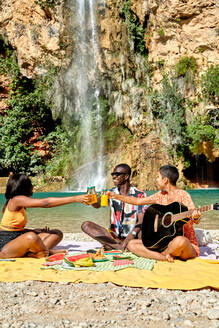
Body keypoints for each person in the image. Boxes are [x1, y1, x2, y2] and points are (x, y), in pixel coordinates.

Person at [107, 165, 201, 262]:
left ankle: (162, 255)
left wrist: (196, 217)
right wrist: (115, 196)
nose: (156, 180)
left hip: (182, 246)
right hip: (162, 243)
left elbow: (193, 217)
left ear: (165, 180)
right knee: (131, 244)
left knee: (181, 241)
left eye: (158, 177)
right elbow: (137, 201)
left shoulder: (183, 195)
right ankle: (165, 256)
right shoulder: (160, 196)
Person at [0, 173, 89, 259]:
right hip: (6, 245)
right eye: (30, 184)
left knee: (56, 233)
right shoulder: (16, 200)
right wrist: (75, 198)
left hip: (18, 237)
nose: (32, 187)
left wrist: (33, 230)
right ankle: (47, 252)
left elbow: (14, 229)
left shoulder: (18, 201)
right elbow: (46, 203)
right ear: (23, 187)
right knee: (31, 237)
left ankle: (39, 251)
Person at [81, 163, 147, 250]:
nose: (113, 176)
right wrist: (93, 200)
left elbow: (141, 219)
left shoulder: (139, 194)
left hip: (134, 235)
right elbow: (97, 205)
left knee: (143, 231)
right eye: (112, 174)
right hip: (114, 236)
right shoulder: (110, 193)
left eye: (117, 174)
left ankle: (114, 246)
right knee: (86, 225)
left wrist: (132, 234)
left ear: (126, 176)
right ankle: (119, 247)